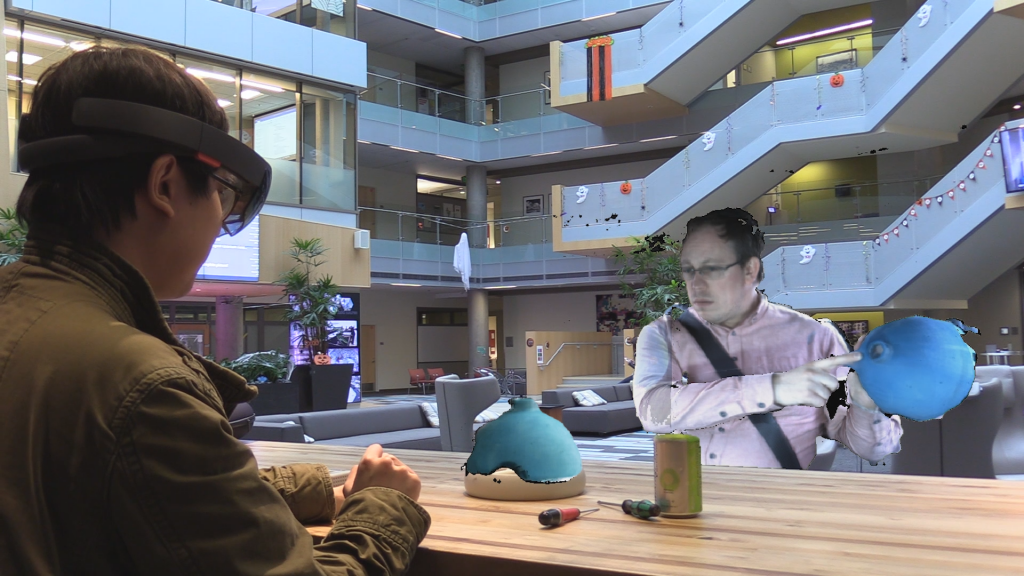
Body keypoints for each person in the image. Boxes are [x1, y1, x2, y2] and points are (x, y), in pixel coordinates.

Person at [0, 46, 428, 574]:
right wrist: (386, 505)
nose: (219, 224)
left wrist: (317, 490)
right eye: (222, 196)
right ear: (165, 184)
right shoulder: (143, 385)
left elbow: (126, 485)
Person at [633, 208, 903, 469]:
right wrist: (771, 388)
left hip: (788, 494)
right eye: (689, 270)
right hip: (699, 493)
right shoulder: (665, 334)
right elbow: (653, 412)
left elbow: (871, 449)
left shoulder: (816, 337)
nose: (696, 284)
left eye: (711, 269)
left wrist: (865, 404)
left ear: (750, 270)